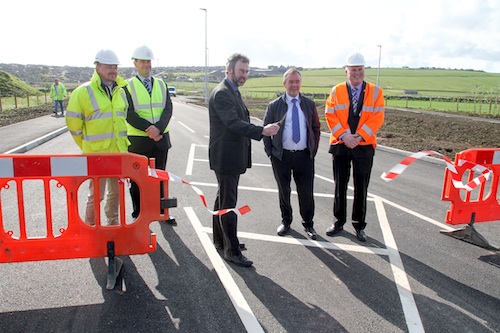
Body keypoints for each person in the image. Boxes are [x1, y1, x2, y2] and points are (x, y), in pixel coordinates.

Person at [209, 53, 279, 267]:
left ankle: (221, 240)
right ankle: (232, 250)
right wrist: (262, 131)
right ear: (229, 69)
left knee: (223, 198)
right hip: (226, 157)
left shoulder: (231, 91)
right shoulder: (222, 93)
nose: (244, 75)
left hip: (229, 156)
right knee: (229, 204)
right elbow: (233, 123)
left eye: (247, 71)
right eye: (241, 70)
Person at [324, 52, 385, 242]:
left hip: (363, 146)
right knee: (339, 185)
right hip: (341, 144)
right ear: (346, 71)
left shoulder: (376, 92)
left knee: (361, 187)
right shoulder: (336, 90)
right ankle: (338, 221)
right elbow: (330, 114)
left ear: (364, 70)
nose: (357, 73)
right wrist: (345, 135)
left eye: (360, 69)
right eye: (353, 70)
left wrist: (358, 137)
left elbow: (377, 117)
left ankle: (359, 225)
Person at [65, 49, 131, 226]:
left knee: (115, 194)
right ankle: (91, 227)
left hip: (118, 153)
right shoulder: (83, 92)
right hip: (96, 155)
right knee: (96, 195)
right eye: (109, 66)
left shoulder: (121, 91)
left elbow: (121, 122)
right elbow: (73, 125)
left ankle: (113, 223)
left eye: (115, 66)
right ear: (98, 67)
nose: (113, 70)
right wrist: (88, 146)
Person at [263, 68, 320, 240]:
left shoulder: (309, 104)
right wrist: (271, 153)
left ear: (300, 83)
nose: (294, 85)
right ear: (284, 84)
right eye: (291, 82)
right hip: (282, 156)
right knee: (284, 190)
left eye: (297, 82)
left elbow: (316, 128)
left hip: (304, 156)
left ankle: (308, 224)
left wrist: (313, 149)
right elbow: (265, 131)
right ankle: (286, 221)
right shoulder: (274, 106)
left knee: (306, 191)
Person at [125, 45, 175, 225]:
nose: (147, 65)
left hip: (160, 140)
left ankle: (161, 212)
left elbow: (168, 108)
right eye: (143, 61)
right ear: (135, 63)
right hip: (139, 141)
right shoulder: (127, 86)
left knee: (160, 178)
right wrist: (150, 129)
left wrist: (158, 129)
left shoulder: (161, 84)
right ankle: (138, 213)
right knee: (137, 180)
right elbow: (129, 113)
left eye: (148, 61)